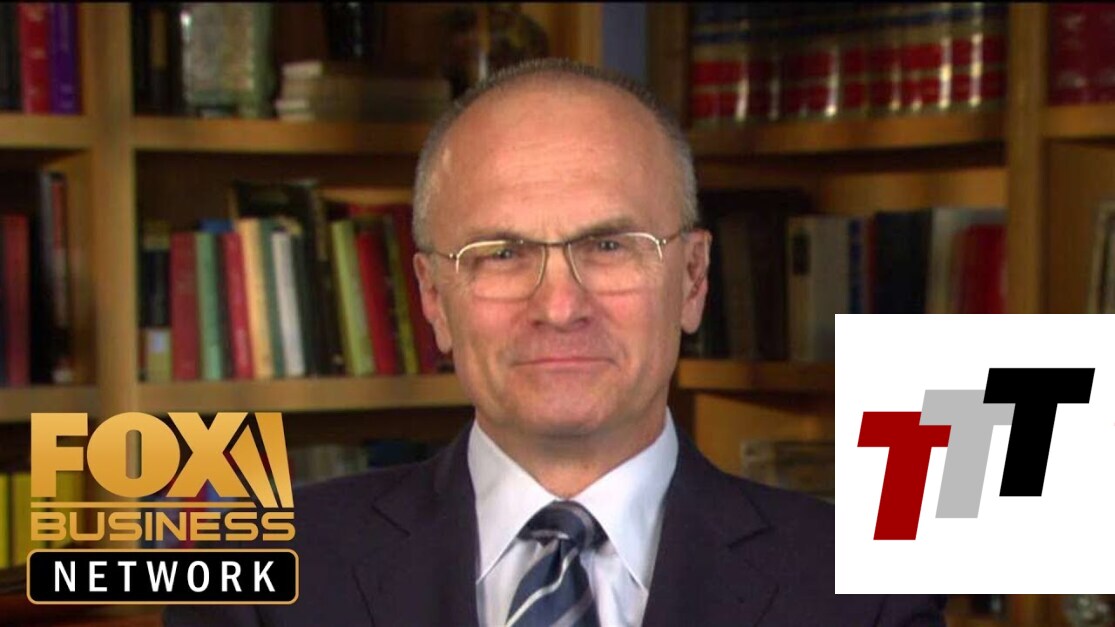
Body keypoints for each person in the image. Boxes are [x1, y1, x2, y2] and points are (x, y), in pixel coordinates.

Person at [166, 59, 945, 626]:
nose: (561, 305)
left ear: (692, 278)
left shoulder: (863, 592)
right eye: (502, 253)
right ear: (433, 297)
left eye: (608, 246)